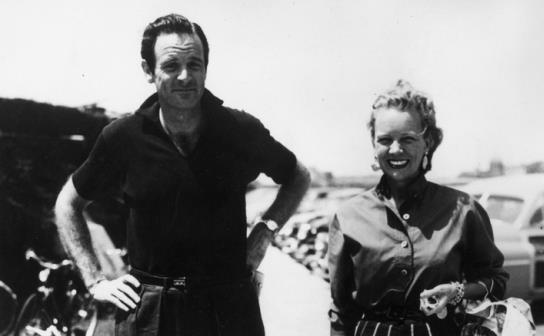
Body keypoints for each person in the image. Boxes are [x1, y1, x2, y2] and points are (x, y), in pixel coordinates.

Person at [54, 13, 310, 336]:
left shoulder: (239, 131)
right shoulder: (123, 137)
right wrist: (94, 280)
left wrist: (265, 230)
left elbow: (297, 176)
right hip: (149, 309)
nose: (185, 76)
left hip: (229, 306)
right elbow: (68, 203)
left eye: (195, 64)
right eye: (171, 66)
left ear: (206, 67)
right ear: (148, 70)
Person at [328, 80, 508, 336]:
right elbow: (340, 309)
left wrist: (457, 292)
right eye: (385, 140)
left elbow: (496, 281)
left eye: (408, 139)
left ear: (428, 142)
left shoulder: (464, 210)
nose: (395, 149)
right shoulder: (347, 215)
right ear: (373, 144)